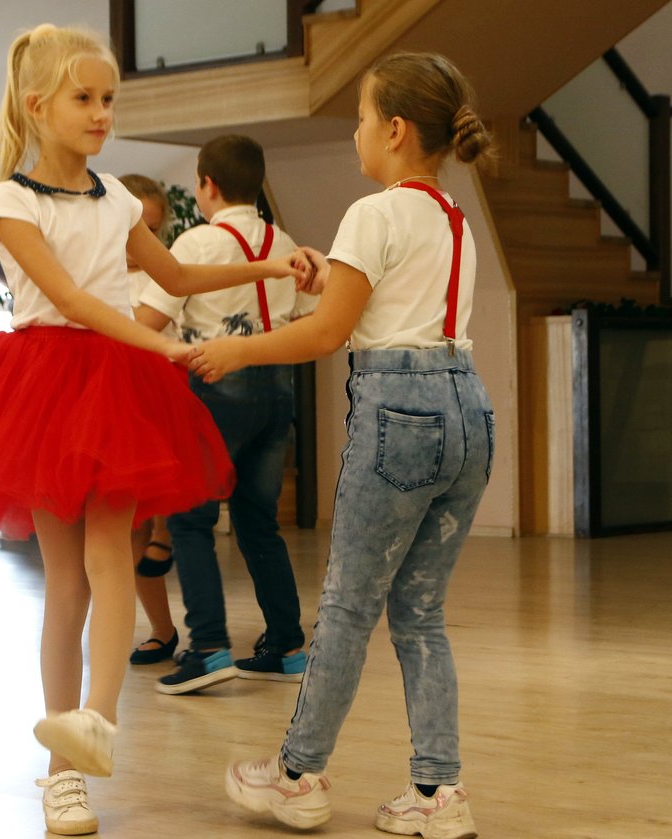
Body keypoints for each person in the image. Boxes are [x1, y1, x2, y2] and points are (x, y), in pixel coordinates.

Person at [0, 24, 307, 837]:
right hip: (43, 387)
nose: (103, 112)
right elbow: (71, 300)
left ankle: (93, 725)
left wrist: (267, 265)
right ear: (38, 106)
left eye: (109, 98)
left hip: (113, 387)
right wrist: (164, 346)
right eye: (85, 98)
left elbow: (174, 273)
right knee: (65, 582)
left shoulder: (115, 198)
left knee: (113, 559)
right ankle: (62, 776)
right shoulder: (12, 200)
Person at [191, 52, 494, 838]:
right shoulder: (453, 219)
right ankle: (439, 791)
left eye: (360, 118)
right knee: (419, 612)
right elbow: (397, 301)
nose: (354, 132)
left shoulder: (373, 212)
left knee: (349, 606)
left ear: (394, 130)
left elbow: (327, 335)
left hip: (400, 415)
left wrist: (236, 350)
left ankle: (295, 775)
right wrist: (334, 274)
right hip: (468, 411)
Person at [135, 134, 317, 695]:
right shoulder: (283, 241)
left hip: (216, 389)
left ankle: (209, 648)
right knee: (259, 521)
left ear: (206, 185)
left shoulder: (197, 242)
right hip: (278, 389)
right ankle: (286, 646)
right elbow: (308, 312)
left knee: (189, 518)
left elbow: (148, 322)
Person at [119, 173, 179, 666]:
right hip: (118, 406)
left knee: (167, 507)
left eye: (154, 231)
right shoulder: (94, 274)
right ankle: (162, 630)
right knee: (128, 528)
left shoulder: (165, 275)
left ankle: (166, 532)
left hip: (164, 400)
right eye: (136, 229)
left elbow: (147, 327)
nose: (144, 241)